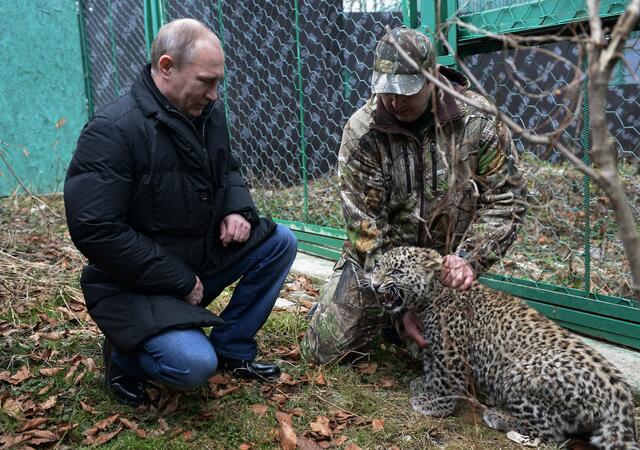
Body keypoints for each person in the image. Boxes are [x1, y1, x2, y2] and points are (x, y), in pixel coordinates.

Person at [64, 18, 297, 406]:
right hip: (136, 283)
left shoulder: (204, 114)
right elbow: (96, 229)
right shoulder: (112, 131)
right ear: (167, 67)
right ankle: (124, 356)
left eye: (218, 82)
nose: (215, 95)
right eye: (206, 81)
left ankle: (233, 347)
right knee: (191, 367)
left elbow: (227, 169)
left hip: (195, 259)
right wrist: (179, 279)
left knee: (280, 242)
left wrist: (236, 208)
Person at [301, 26, 527, 364]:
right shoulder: (362, 132)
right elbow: (365, 228)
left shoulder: (478, 121)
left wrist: (469, 258)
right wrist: (400, 300)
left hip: (445, 270)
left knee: (473, 363)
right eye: (386, 90)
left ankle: (406, 324)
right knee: (324, 352)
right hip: (381, 264)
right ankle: (377, 315)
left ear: (433, 77)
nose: (394, 101)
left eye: (407, 90)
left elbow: (508, 198)